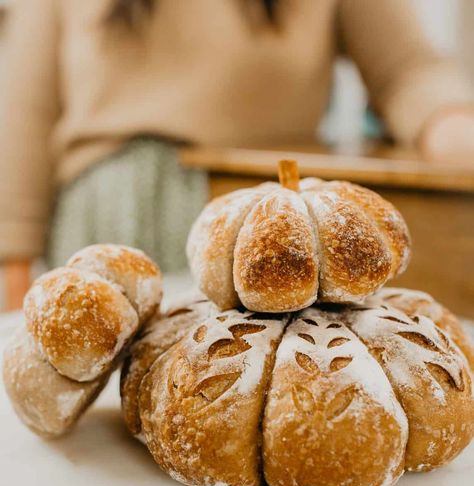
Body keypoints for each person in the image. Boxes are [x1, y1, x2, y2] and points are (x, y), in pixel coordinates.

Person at [1, 0, 474, 310]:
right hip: (108, 211)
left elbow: (407, 67)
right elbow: (24, 108)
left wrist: (447, 123)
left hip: (258, 218)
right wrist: (11, 263)